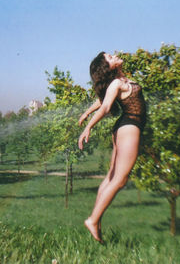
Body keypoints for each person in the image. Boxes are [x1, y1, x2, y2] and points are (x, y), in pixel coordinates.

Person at [78, 51, 146, 243]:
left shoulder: (119, 80)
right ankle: (93, 220)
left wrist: (86, 113)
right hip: (130, 126)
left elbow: (103, 100)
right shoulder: (117, 83)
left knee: (111, 177)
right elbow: (107, 107)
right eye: (109, 56)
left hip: (125, 127)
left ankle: (96, 223)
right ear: (107, 67)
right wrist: (89, 127)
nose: (114, 54)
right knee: (120, 180)